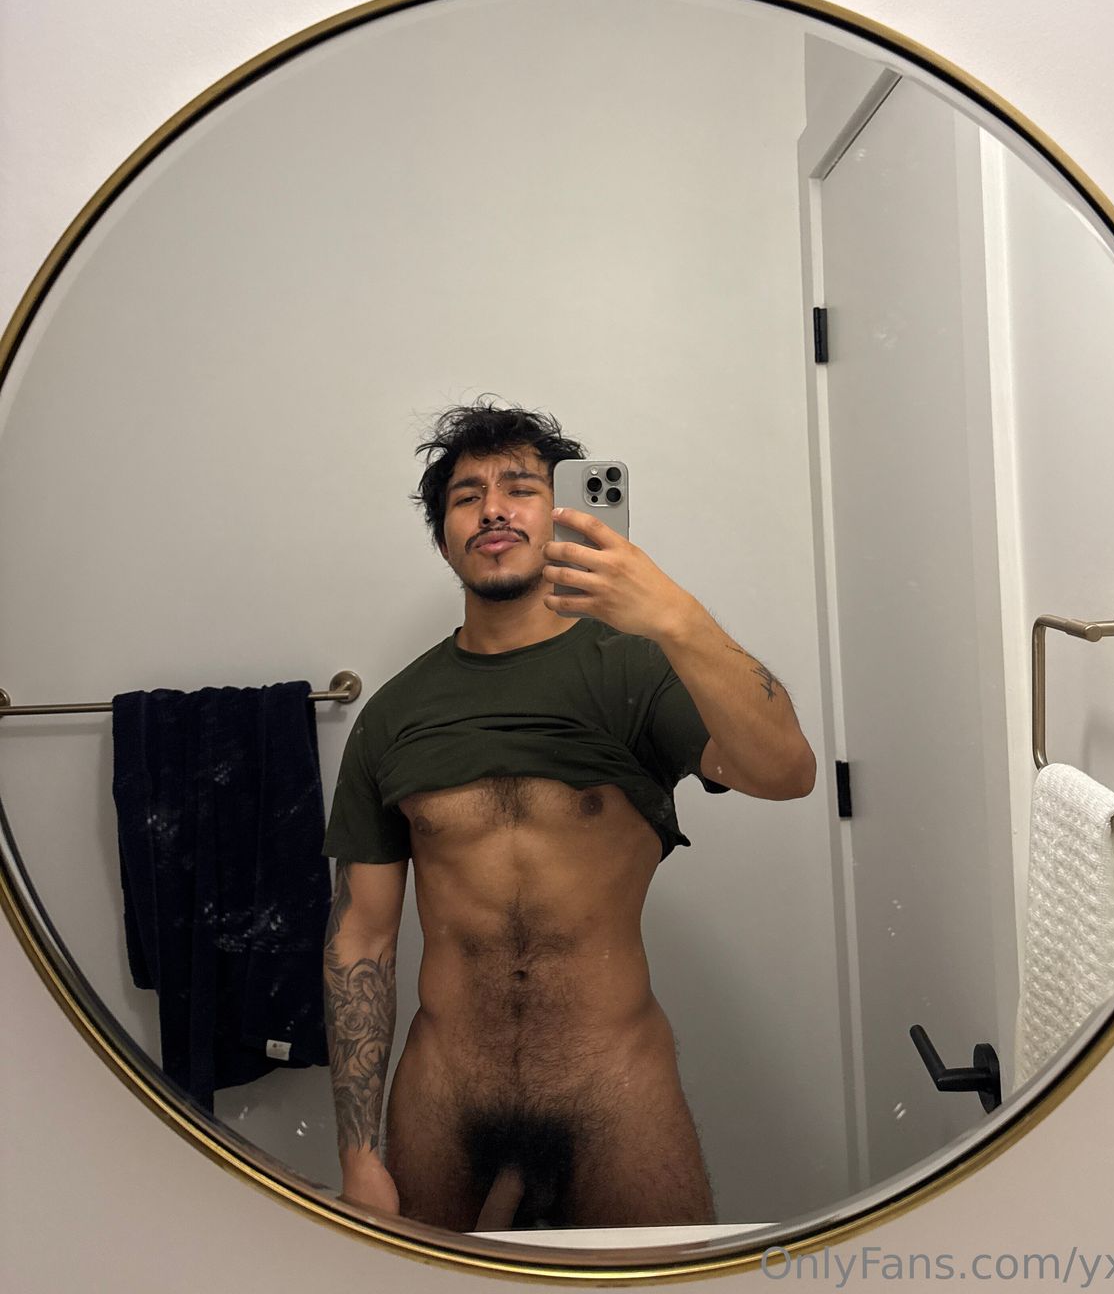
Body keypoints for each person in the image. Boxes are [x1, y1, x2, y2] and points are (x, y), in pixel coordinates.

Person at [321, 397, 816, 1232]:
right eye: (467, 497)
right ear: (445, 537)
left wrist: (674, 617)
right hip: (444, 1095)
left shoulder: (637, 671)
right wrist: (357, 1155)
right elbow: (360, 939)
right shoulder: (393, 715)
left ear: (564, 516)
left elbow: (786, 772)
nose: (493, 510)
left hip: (613, 1087)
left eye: (521, 488)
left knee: (660, 1288)